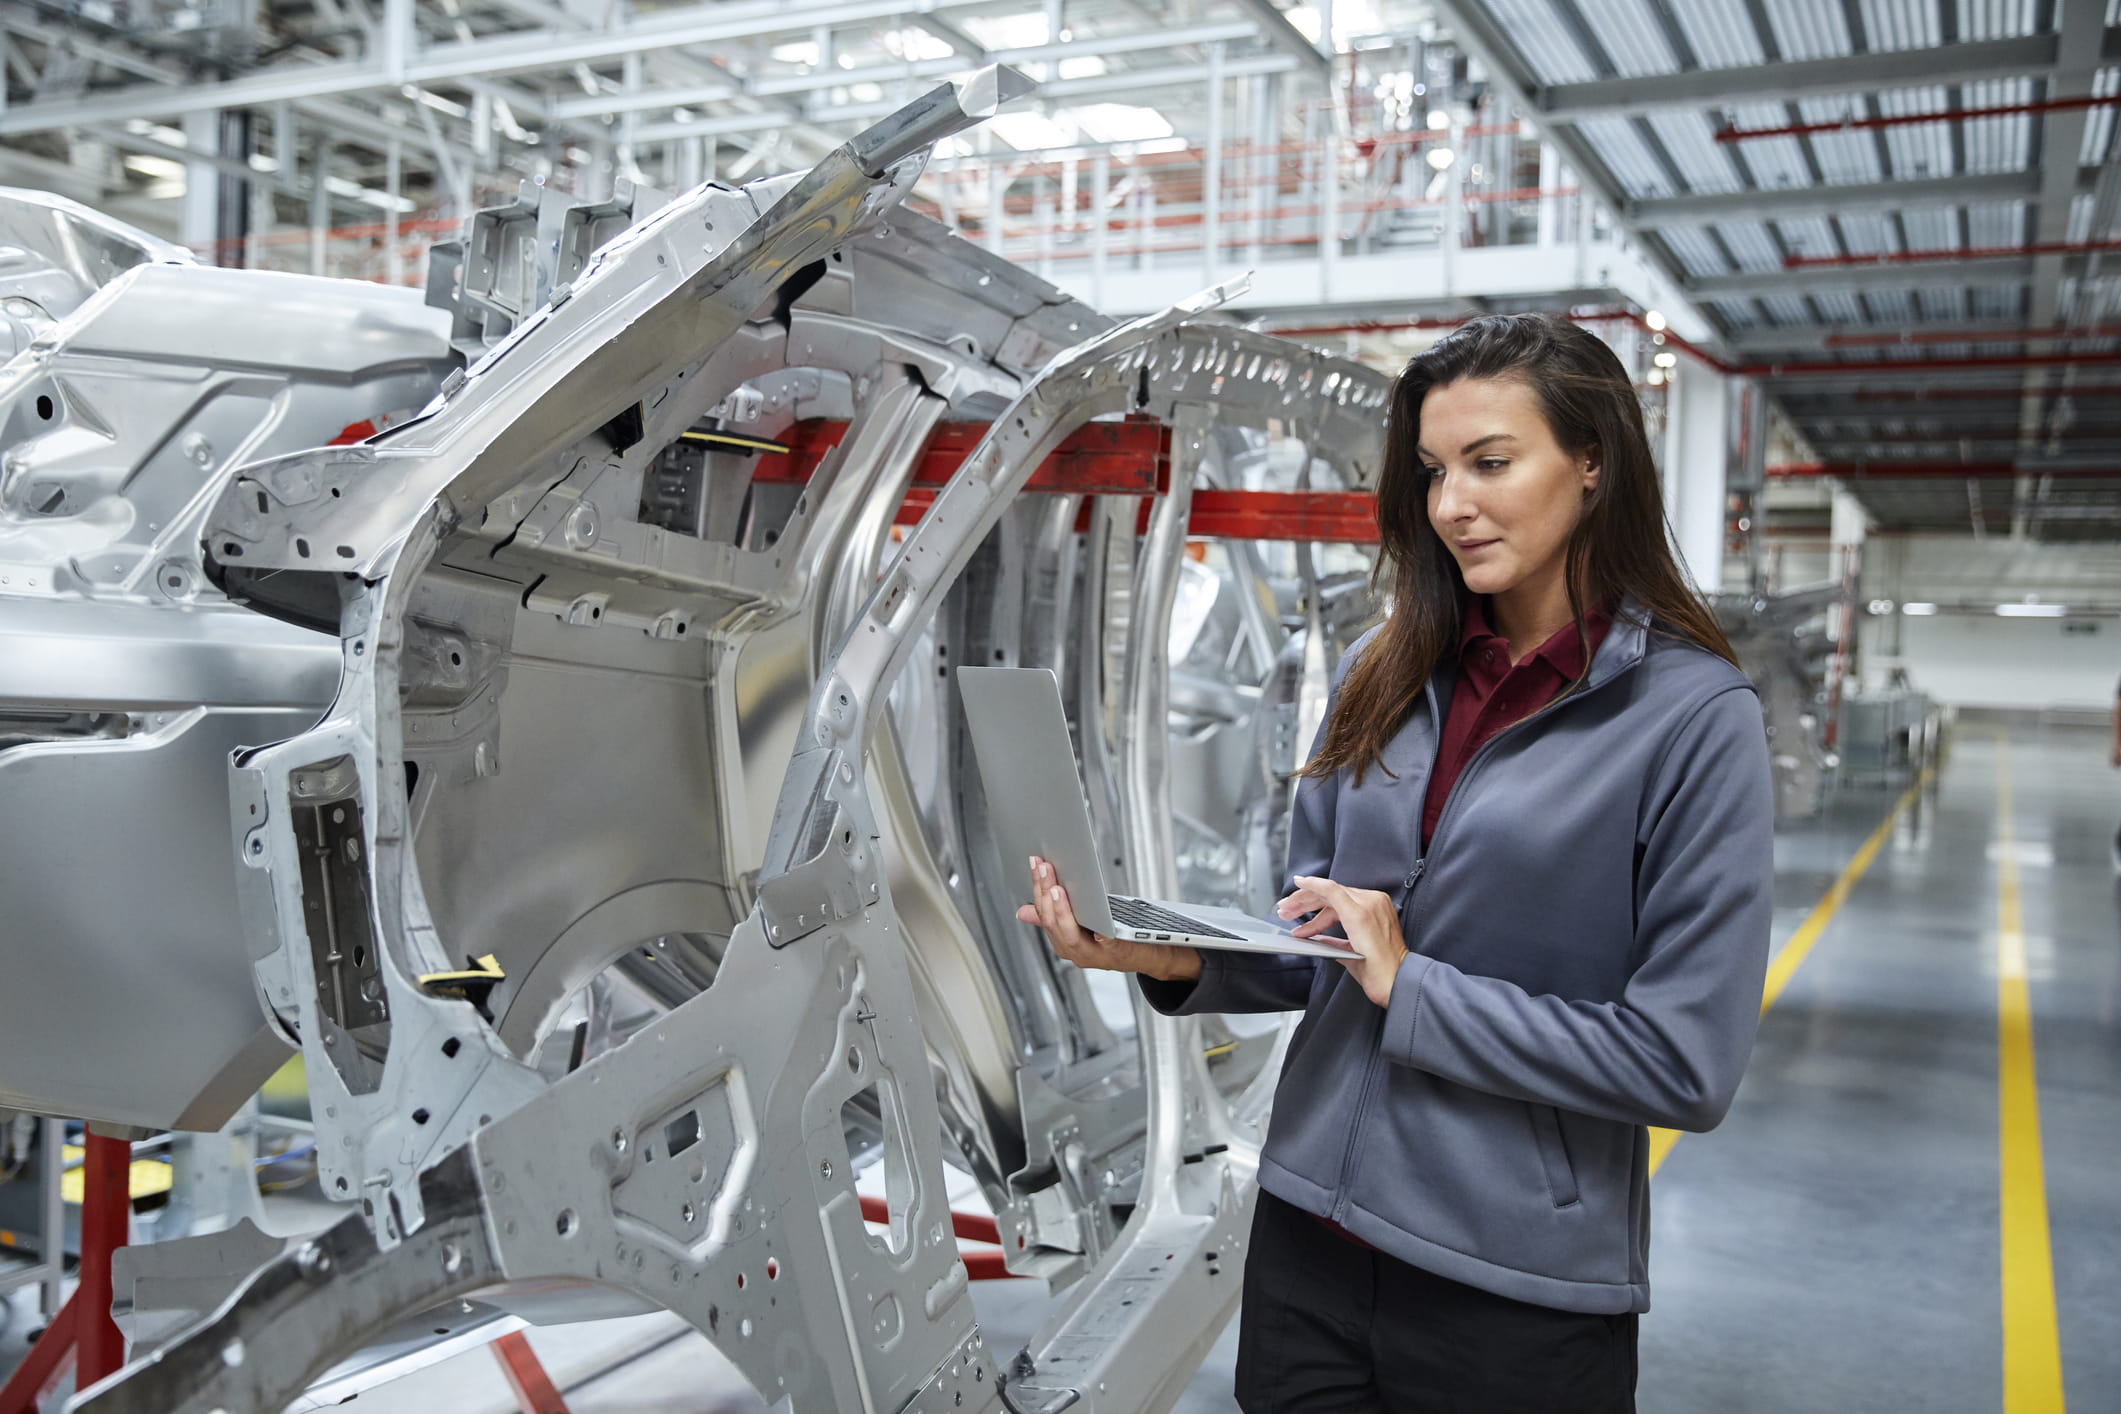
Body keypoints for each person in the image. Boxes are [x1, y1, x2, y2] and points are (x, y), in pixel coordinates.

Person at [1017, 312, 1775, 1412]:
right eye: (1432, 471)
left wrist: (1412, 984)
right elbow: (1320, 947)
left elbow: (1683, 1063)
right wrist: (1157, 949)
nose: (1451, 503)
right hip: (1310, 1241)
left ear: (1596, 464)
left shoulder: (1695, 720)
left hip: (1511, 1285)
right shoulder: (1387, 670)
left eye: (1491, 462)